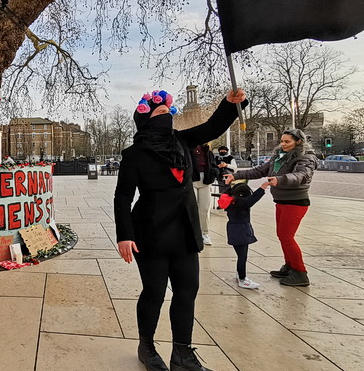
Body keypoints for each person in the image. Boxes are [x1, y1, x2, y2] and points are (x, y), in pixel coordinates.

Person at [115, 88, 247, 371]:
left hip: (185, 230)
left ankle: (182, 355)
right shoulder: (134, 154)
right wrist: (124, 235)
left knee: (187, 291)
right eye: (160, 113)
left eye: (168, 113)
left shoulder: (182, 141)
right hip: (150, 232)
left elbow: (213, 126)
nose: (167, 117)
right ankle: (146, 346)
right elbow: (123, 196)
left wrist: (230, 104)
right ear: (146, 119)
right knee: (155, 291)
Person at [224, 128, 318, 287]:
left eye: (287, 142)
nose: (283, 144)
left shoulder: (306, 158)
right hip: (281, 201)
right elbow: (259, 171)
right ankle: (290, 266)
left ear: (299, 142)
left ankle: (301, 273)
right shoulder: (278, 157)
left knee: (287, 236)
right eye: (282, 141)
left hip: (295, 201)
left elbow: (301, 176)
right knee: (282, 235)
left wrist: (280, 180)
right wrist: (236, 175)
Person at [218, 181, 269, 289]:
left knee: (240, 255)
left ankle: (239, 275)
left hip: (232, 229)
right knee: (242, 256)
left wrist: (228, 183)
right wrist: (262, 188)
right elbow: (252, 199)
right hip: (242, 231)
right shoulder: (242, 203)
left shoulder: (230, 201)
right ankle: (242, 278)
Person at [191, 143, 217, 245]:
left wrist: (214, 173)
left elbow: (213, 165)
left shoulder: (208, 152)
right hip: (192, 180)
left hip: (206, 180)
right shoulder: (188, 149)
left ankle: (204, 233)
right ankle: (193, 233)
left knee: (205, 208)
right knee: (192, 207)